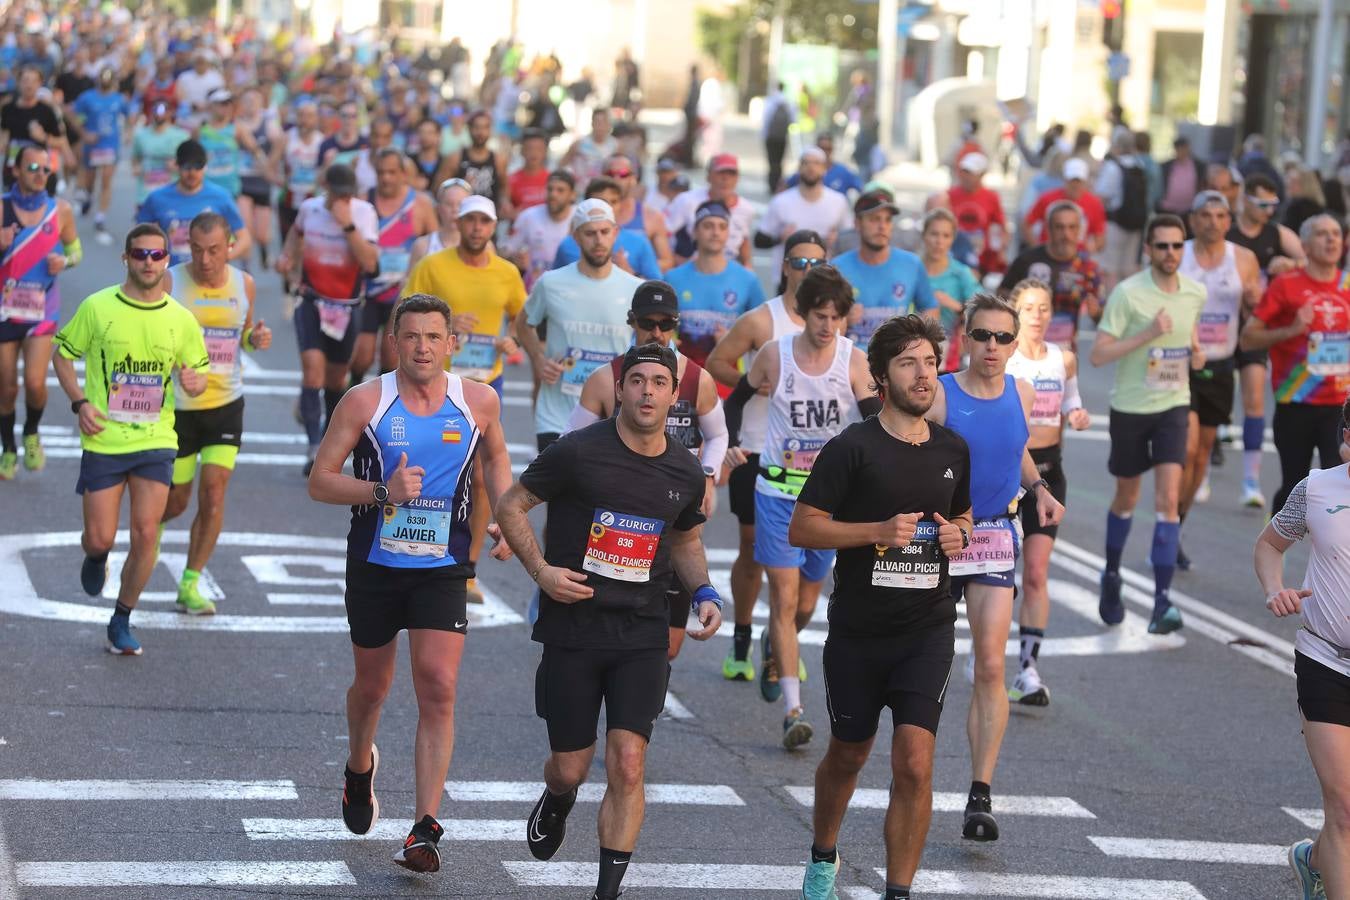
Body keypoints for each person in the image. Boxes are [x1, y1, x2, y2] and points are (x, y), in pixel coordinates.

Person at [494, 342, 722, 900]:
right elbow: (511, 505)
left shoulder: (686, 470)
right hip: (574, 629)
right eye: (637, 380)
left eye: (658, 383)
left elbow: (686, 539)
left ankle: (607, 893)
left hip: (642, 632)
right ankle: (559, 797)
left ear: (674, 395)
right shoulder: (576, 452)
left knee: (628, 762)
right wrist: (543, 572)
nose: (647, 391)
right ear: (619, 389)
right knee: (569, 768)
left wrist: (705, 590)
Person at [308, 292, 514, 873]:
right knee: (372, 687)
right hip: (375, 564)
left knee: (439, 684)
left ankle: (424, 828)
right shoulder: (366, 401)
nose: (423, 347)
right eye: (412, 337)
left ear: (453, 344)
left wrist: (503, 515)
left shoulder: (478, 401)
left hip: (443, 566)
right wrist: (381, 492)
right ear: (395, 343)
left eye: (434, 337)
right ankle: (358, 766)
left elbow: (496, 461)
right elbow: (320, 481)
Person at [792, 314, 972, 900]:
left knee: (916, 762)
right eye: (907, 364)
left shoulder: (952, 449)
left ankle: (899, 892)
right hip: (859, 632)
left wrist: (960, 537)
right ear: (881, 377)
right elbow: (804, 527)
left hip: (927, 628)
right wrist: (875, 530)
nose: (923, 376)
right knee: (848, 755)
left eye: (929, 362)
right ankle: (824, 856)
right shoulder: (853, 447)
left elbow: (964, 515)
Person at [722, 264, 878, 749]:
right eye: (818, 315)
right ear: (802, 313)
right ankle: (794, 710)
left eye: (835, 317)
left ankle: (777, 643)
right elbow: (735, 400)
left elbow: (876, 421)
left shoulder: (854, 362)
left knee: (809, 602)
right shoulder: (774, 355)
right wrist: (728, 443)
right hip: (776, 491)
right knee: (785, 601)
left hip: (830, 502)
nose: (826, 325)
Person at [927, 292, 1063, 842]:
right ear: (964, 336)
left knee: (990, 668)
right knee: (923, 665)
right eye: (981, 335)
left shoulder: (1020, 391)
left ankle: (979, 793)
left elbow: (1016, 446)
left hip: (993, 536)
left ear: (1013, 344)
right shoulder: (939, 394)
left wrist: (1039, 487)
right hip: (935, 538)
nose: (991, 346)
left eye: (1002, 337)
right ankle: (910, 767)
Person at [51, 224, 209, 655]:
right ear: (126, 258)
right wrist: (81, 403)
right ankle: (97, 557)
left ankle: (121, 616)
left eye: (157, 256)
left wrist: (194, 382)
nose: (148, 262)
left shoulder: (180, 319)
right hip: (105, 439)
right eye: (140, 254)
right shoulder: (98, 307)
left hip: (156, 439)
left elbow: (197, 377)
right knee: (100, 537)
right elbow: (62, 355)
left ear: (166, 260)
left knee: (145, 534)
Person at [566, 281, 727, 659]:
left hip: (676, 507)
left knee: (669, 646)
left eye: (665, 323)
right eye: (646, 322)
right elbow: (567, 446)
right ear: (631, 322)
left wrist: (705, 475)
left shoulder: (695, 379)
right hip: (618, 510)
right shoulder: (607, 379)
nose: (656, 332)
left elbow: (718, 436)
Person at [706, 230, 817, 681]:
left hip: (811, 456)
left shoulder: (832, 322)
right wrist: (750, 382)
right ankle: (741, 638)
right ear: (785, 268)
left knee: (805, 554)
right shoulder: (761, 321)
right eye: (800, 263)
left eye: (817, 264)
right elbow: (716, 362)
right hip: (757, 446)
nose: (808, 272)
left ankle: (782, 639)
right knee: (753, 548)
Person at [403, 193, 525, 604]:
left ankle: (467, 569)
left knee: (480, 475)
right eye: (470, 220)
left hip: (485, 384)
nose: (476, 228)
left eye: (484, 222)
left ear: (493, 227)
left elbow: (523, 318)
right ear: (459, 222)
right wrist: (449, 322)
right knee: (427, 470)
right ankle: (416, 547)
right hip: (434, 381)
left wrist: (512, 339)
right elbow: (404, 314)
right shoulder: (432, 266)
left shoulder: (507, 272)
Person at [1091, 214, 1207, 634]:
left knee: (1168, 500)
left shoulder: (1195, 292)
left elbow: (1189, 333)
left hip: (1173, 406)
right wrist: (1147, 333)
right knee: (1126, 497)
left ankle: (1162, 602)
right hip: (1131, 409)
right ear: (1148, 250)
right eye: (1162, 246)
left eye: (1177, 246)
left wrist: (1196, 352)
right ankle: (1112, 573)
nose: (1171, 253)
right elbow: (1099, 354)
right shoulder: (1129, 294)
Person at [1253, 399, 1350, 900]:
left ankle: (1313, 858)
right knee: (1343, 806)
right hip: (1325, 658)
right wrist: (1275, 589)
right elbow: (1270, 545)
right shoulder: (1316, 489)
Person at [159, 212, 270, 614]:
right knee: (174, 502)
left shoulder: (245, 284)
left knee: (214, 494)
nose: (205, 260)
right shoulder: (171, 281)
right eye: (197, 250)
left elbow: (244, 337)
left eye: (215, 251)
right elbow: (153, 338)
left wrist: (255, 340)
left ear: (229, 247)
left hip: (225, 405)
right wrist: (177, 368)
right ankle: (146, 538)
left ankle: (190, 582)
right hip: (178, 411)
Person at [1004, 279, 1090, 706]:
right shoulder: (1004, 358)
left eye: (1043, 309)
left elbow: (1071, 401)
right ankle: (985, 648)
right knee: (998, 575)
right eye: (1029, 308)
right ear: (1016, 313)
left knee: (1036, 572)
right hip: (1006, 475)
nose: (1037, 316)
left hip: (1050, 474)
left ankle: (1027, 668)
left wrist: (1076, 413)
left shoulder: (1064, 359)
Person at [1240, 214, 1350, 513]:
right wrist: (1291, 330)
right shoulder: (1285, 286)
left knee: (1340, 489)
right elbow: (1248, 339)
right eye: (1322, 234)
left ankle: (1334, 559)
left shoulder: (1348, 284)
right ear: (1304, 245)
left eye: (1336, 234)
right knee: (1295, 488)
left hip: (1341, 406)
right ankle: (1274, 549)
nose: (1331, 240)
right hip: (1296, 401)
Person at [277, 163, 379, 474]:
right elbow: (295, 237)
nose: (343, 201)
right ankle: (312, 450)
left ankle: (325, 441)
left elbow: (371, 265)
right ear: (328, 190)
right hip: (312, 301)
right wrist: (287, 258)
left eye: (349, 195)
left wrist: (348, 226)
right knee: (312, 373)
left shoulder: (363, 214)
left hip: (347, 307)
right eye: (339, 195)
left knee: (336, 380)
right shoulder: (310, 209)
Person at [518, 198, 644, 451]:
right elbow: (523, 324)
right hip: (556, 415)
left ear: (615, 233)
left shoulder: (635, 288)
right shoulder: (551, 283)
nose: (598, 240)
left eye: (604, 232)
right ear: (575, 236)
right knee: (556, 491)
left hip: (611, 417)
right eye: (590, 233)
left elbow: (651, 340)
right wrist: (539, 359)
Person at [1176, 192, 1260, 567]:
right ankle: (1167, 528)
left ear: (1229, 220)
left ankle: (1178, 523)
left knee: (1203, 455)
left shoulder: (1243, 259)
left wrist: (1256, 304)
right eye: (1205, 214)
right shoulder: (1180, 253)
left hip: (1223, 365)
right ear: (1194, 219)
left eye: (1220, 215)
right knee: (1188, 449)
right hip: (1181, 364)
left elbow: (1255, 310)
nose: (1212, 221)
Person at [0, 144, 80, 480]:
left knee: (34, 382)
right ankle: (8, 448)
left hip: (42, 310)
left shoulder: (60, 210)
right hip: (4, 311)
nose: (40, 175)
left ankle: (31, 432)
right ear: (16, 170)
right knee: (6, 387)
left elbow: (76, 251)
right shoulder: (2, 207)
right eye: (32, 168)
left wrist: (65, 260)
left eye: (45, 169)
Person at [1228, 173, 1307, 508]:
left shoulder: (1278, 234)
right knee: (1207, 410)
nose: (1268, 210)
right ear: (1246, 199)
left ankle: (1250, 479)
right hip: (1219, 327)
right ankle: (1200, 474)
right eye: (1262, 203)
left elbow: (1309, 262)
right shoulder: (1226, 230)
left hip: (1256, 328)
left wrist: (1290, 264)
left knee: (1255, 402)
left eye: (1273, 204)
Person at [353, 148, 436, 382]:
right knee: (361, 356)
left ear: (403, 173)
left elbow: (436, 244)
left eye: (391, 172)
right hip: (368, 290)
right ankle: (351, 398)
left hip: (403, 293)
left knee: (391, 358)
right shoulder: (362, 201)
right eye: (381, 172)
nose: (386, 178)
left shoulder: (420, 204)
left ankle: (383, 407)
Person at [665, 200, 765, 371]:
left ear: (728, 233)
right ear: (694, 232)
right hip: (681, 377)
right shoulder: (672, 278)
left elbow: (764, 336)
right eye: (708, 226)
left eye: (722, 226)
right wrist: (665, 340)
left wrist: (735, 342)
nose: (715, 232)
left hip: (728, 380)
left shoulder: (747, 280)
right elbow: (655, 328)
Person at [833, 190, 939, 351]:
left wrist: (916, 332)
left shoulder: (911, 264)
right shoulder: (837, 268)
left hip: (897, 360)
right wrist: (843, 319)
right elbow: (820, 319)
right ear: (857, 224)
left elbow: (930, 308)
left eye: (888, 220)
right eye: (874, 219)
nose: (882, 226)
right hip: (851, 362)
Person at [1000, 200, 1104, 351]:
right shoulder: (1027, 260)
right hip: (1024, 348)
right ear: (1048, 229)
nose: (1066, 234)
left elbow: (1102, 318)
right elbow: (1002, 294)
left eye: (1072, 227)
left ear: (1080, 230)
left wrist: (1096, 313)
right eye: (1059, 227)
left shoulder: (1089, 269)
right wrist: (1021, 302)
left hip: (1066, 353)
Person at [136, 139, 251, 268]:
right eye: (187, 167)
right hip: (171, 277)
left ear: (205, 167)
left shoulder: (221, 197)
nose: (192, 173)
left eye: (198, 167)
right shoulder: (157, 198)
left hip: (209, 277)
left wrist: (223, 258)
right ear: (177, 166)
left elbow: (244, 238)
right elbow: (139, 238)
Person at [756, 148, 851, 272]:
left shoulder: (839, 201)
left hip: (825, 276)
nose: (811, 168)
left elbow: (851, 240)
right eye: (806, 163)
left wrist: (837, 240)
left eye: (816, 163)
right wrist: (780, 238)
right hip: (787, 278)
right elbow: (759, 241)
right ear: (799, 168)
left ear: (824, 169)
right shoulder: (781, 201)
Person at [551, 178, 661, 280]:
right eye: (602, 202)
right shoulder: (567, 245)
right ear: (587, 204)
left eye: (614, 201)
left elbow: (658, 290)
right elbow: (555, 284)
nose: (609, 207)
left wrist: (631, 274)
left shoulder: (639, 242)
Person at [71, 67, 130, 244]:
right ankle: (88, 196)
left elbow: (128, 116)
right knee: (90, 180)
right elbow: (74, 116)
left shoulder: (118, 99)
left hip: (110, 145)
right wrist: (83, 133)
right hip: (92, 146)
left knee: (106, 179)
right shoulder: (87, 97)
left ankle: (100, 217)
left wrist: (128, 132)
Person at [666, 153, 756, 268]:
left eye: (731, 174)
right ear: (708, 176)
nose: (725, 179)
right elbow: (663, 233)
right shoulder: (686, 201)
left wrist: (747, 266)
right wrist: (679, 263)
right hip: (692, 271)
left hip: (727, 274)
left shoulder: (747, 209)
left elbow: (743, 241)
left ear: (737, 178)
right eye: (720, 173)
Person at [920, 208, 980, 372]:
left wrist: (956, 306)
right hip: (910, 346)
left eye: (945, 236)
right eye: (934, 234)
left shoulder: (961, 273)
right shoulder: (911, 267)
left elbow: (983, 310)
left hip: (949, 354)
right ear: (924, 235)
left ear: (952, 239)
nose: (939, 241)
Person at [929, 152, 1007, 276]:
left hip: (982, 259)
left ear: (981, 175)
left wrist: (1000, 251)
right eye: (964, 171)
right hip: (954, 255)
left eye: (970, 172)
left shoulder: (991, 197)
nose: (965, 176)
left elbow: (1000, 227)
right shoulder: (948, 195)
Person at [1095, 129, 1150, 295]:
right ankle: (1129, 302)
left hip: (1115, 223)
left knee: (1111, 268)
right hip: (1135, 224)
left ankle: (1113, 302)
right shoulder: (1139, 165)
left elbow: (1102, 196)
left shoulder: (1113, 166)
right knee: (1129, 267)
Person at [0, 65, 68, 193]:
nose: (29, 85)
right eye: (25, 80)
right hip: (14, 168)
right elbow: (4, 137)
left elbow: (61, 141)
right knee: (13, 209)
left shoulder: (46, 110)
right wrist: (3, 144)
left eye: (33, 81)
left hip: (39, 171)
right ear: (18, 83)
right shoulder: (8, 109)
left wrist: (43, 137)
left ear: (40, 84)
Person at [505, 169, 575, 290]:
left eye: (560, 190)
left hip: (569, 290)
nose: (553, 194)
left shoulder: (579, 218)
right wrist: (516, 259)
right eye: (550, 189)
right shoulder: (528, 217)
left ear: (572, 195)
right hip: (533, 290)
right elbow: (506, 252)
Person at [604, 155, 672, 272]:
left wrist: (634, 270)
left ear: (633, 179)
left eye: (623, 174)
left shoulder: (651, 216)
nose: (616, 179)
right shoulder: (588, 213)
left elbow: (667, 261)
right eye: (611, 174)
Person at [1024, 158, 1106, 252]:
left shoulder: (1094, 204)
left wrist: (1093, 247)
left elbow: (1100, 238)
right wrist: (1036, 248)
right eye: (1072, 181)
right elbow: (1027, 224)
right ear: (1064, 179)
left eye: (1079, 181)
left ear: (1085, 182)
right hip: (1049, 254)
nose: (1075, 185)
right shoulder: (1047, 198)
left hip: (1077, 259)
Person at [130, 102, 190, 211]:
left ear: (170, 113)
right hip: (146, 191)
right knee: (145, 225)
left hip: (172, 191)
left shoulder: (181, 136)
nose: (159, 115)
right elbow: (135, 157)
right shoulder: (141, 135)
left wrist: (177, 166)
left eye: (163, 112)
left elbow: (189, 161)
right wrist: (136, 167)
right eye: (156, 112)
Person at [280, 101, 325, 242]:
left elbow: (326, 173)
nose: (305, 120)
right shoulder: (286, 138)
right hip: (288, 199)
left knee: (309, 243)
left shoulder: (322, 141)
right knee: (288, 243)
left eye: (309, 116)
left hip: (313, 199)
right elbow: (268, 166)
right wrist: (279, 181)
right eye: (301, 115)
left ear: (316, 119)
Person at [447, 109, 507, 214]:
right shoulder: (456, 157)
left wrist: (505, 202)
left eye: (485, 127)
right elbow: (440, 189)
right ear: (469, 129)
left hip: (489, 219)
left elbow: (504, 187)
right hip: (462, 216)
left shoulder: (499, 159)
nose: (481, 132)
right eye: (477, 127)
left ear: (490, 130)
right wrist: (461, 186)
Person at [410, 177, 472, 267]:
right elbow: (410, 280)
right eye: (449, 204)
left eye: (460, 204)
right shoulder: (422, 246)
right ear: (439, 208)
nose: (455, 210)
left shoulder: (483, 247)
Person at [560, 107, 615, 187]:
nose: (600, 126)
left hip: (602, 191)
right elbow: (562, 165)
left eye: (603, 122)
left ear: (609, 124)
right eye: (597, 122)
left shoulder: (615, 146)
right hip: (580, 191)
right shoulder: (579, 144)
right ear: (592, 123)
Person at [1157, 136, 1205, 219]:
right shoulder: (1166, 166)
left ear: (1188, 149)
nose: (1181, 152)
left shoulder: (1199, 166)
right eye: (1178, 149)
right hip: (1167, 209)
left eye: (1183, 148)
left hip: (1189, 210)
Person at [508, 127, 551, 213]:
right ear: (522, 151)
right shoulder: (510, 180)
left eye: (539, 149)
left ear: (545, 152)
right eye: (529, 148)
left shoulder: (552, 180)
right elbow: (504, 210)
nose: (534, 153)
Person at [762, 81, 794, 194]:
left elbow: (765, 120)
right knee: (779, 162)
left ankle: (772, 184)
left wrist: (764, 135)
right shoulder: (788, 102)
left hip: (771, 137)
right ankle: (778, 184)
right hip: (782, 137)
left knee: (772, 161)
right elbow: (793, 119)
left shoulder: (770, 101)